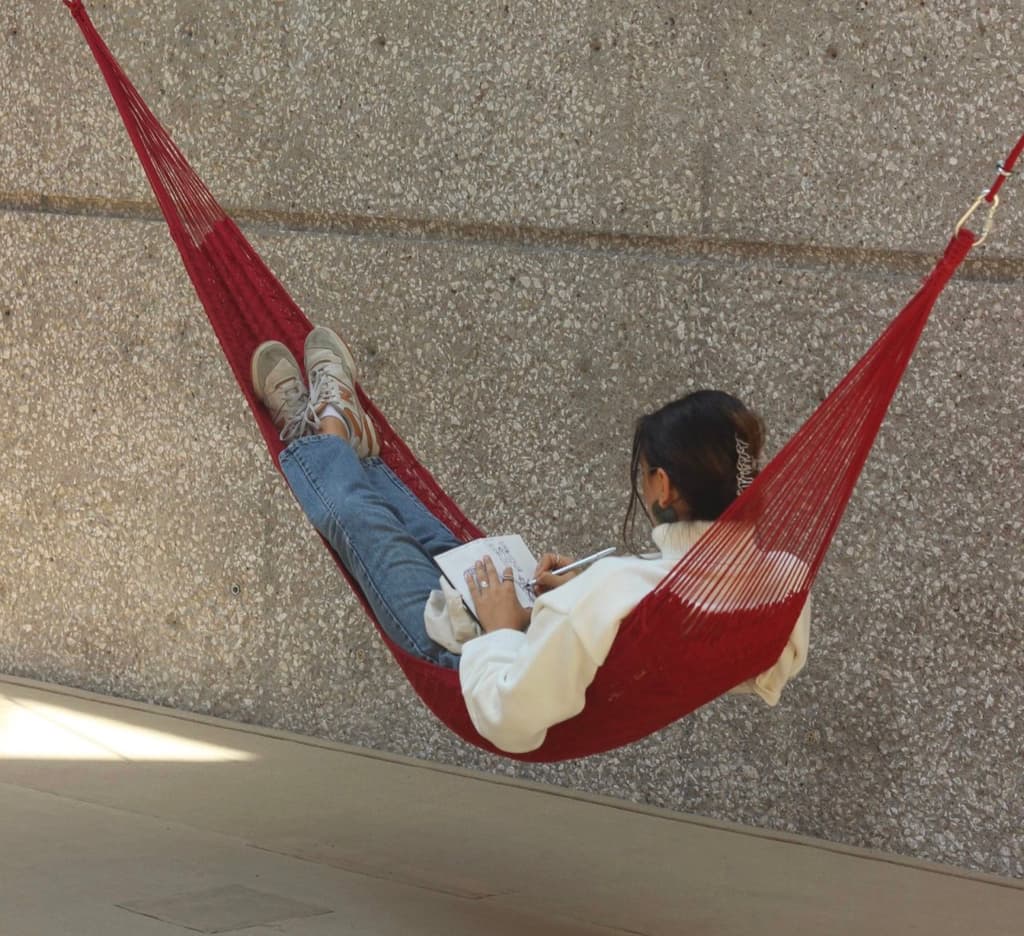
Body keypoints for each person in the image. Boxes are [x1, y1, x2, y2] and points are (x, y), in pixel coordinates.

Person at [253, 325, 810, 754]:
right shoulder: (784, 582)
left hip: (471, 664)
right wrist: (577, 599)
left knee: (354, 520)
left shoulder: (617, 587)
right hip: (540, 638)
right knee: (431, 537)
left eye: (642, 472)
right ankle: (336, 436)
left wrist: (506, 627)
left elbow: (512, 718)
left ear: (663, 485)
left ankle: (320, 431)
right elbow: (752, 666)